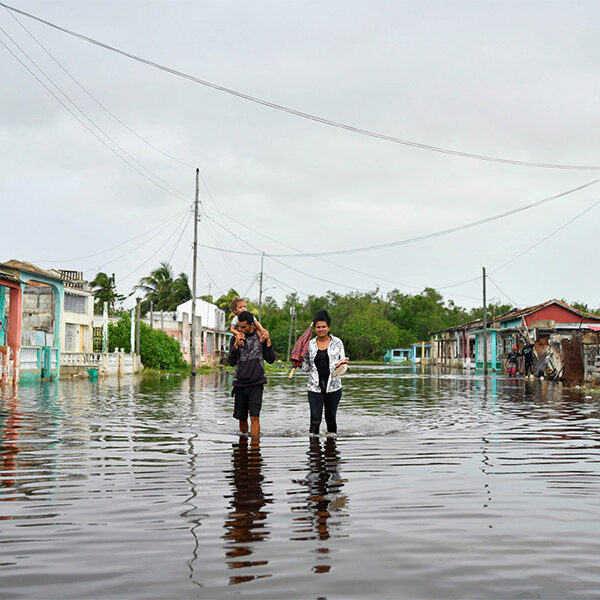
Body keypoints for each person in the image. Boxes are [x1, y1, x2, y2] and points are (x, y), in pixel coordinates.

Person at [301, 310, 349, 436]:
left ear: (328, 327)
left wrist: (340, 365)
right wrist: (298, 362)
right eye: (318, 327)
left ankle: (331, 449)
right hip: (314, 387)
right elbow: (306, 368)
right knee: (315, 420)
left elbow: (343, 364)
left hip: (334, 387)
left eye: (324, 327)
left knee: (331, 419)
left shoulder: (337, 342)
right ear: (314, 328)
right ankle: (313, 448)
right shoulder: (309, 344)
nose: (321, 329)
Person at [227, 311, 275, 437]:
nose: (240, 329)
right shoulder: (234, 338)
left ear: (251, 325)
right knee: (242, 418)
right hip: (240, 383)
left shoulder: (260, 336)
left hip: (256, 383)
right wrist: (236, 345)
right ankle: (242, 447)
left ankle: (255, 449)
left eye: (243, 327)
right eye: (238, 327)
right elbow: (231, 362)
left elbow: (271, 359)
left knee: (255, 417)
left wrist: (268, 341)